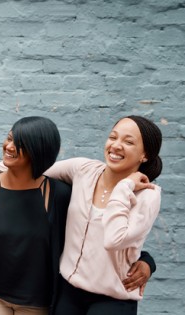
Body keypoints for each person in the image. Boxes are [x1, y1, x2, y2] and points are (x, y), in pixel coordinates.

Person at [44, 115, 163, 315]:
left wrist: (125, 187)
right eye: (113, 137)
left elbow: (114, 240)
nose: (116, 146)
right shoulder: (84, 169)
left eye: (128, 142)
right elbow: (33, 171)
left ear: (145, 155)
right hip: (68, 292)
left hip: (113, 299)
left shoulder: (148, 195)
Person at [0, 116, 72, 315]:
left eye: (20, 144)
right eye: (9, 139)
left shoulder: (59, 195)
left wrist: (143, 259)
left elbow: (90, 231)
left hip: (37, 303)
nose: (10, 147)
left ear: (38, 150)